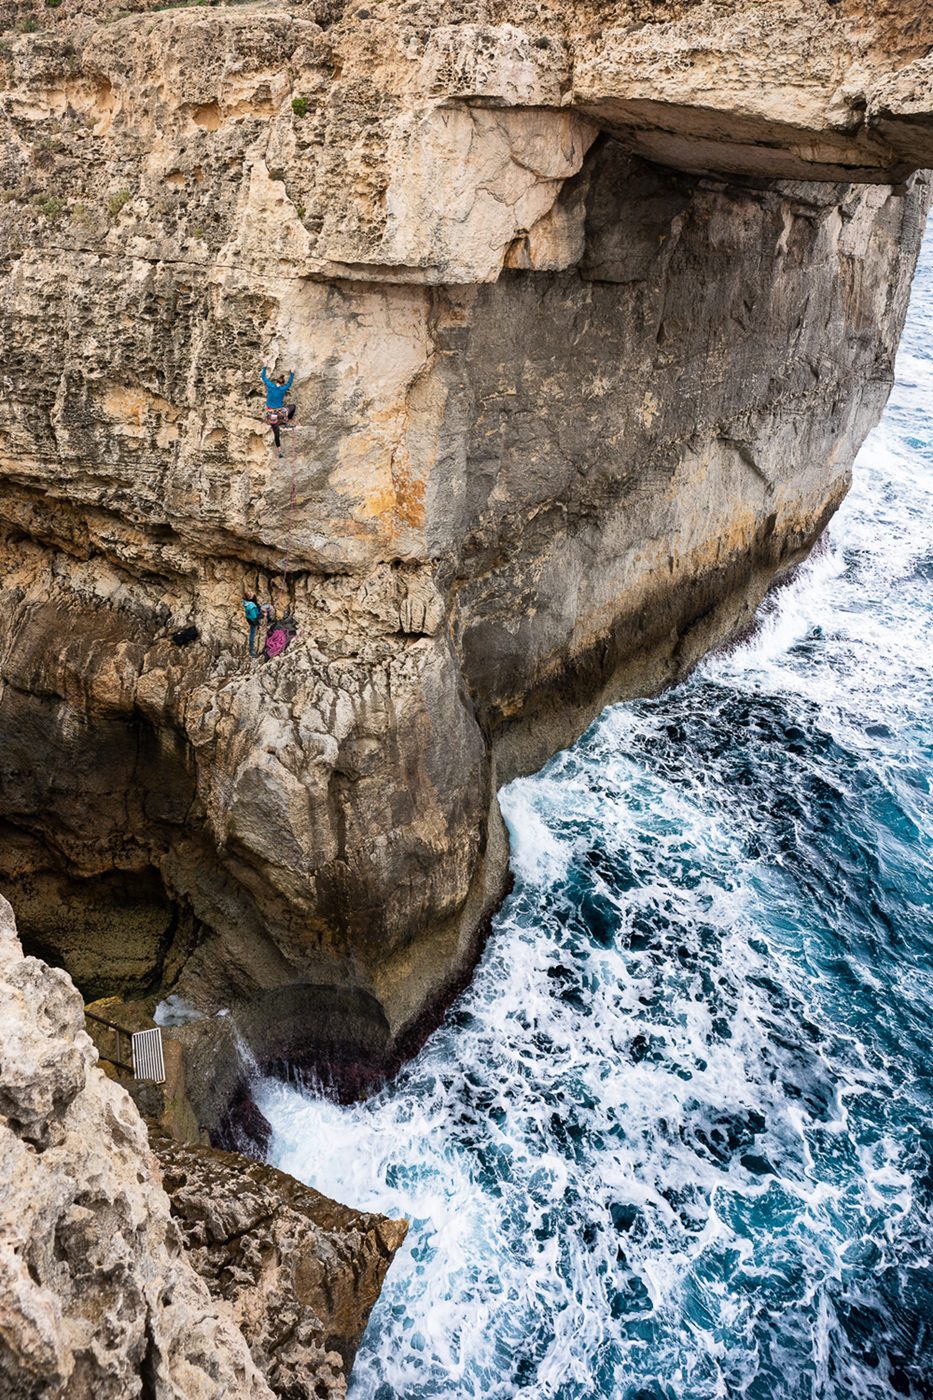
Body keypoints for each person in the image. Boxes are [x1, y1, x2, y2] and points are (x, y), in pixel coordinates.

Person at [261, 365, 296, 456]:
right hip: (280, 413)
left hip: (271, 415)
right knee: (292, 407)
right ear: (282, 383)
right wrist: (292, 372)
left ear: (276, 381)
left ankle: (279, 452)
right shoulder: (283, 388)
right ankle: (286, 422)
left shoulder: (270, 385)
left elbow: (263, 377)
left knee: (276, 434)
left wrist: (264, 367)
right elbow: (289, 383)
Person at [242, 593, 264, 657]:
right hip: (253, 622)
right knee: (252, 635)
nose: (253, 594)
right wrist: (262, 615)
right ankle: (252, 650)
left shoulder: (245, 602)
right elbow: (255, 617)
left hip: (249, 620)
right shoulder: (251, 605)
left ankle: (252, 649)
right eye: (252, 594)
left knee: (252, 635)